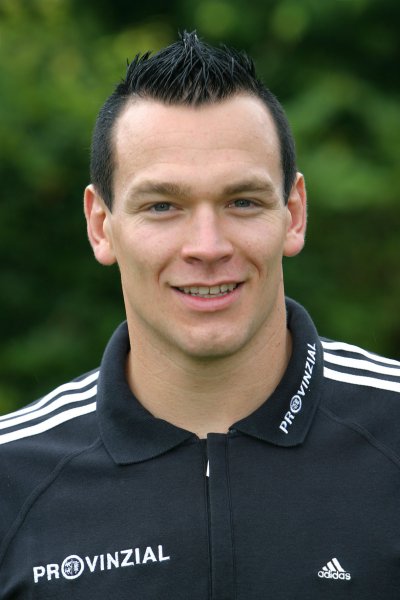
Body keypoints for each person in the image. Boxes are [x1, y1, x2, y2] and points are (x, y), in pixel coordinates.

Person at [0, 31, 399, 599]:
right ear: (100, 225)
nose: (207, 247)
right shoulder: (12, 478)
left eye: (243, 202)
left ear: (293, 214)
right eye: (162, 206)